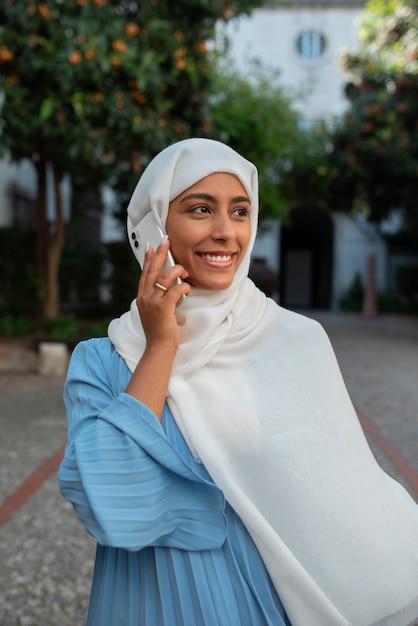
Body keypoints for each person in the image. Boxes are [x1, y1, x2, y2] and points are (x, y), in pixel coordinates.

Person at [59, 138, 418, 626]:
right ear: (154, 225)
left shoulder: (295, 341)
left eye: (241, 211)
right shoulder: (102, 362)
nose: (226, 232)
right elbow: (105, 504)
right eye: (201, 209)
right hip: (148, 602)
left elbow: (341, 498)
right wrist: (161, 346)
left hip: (264, 603)